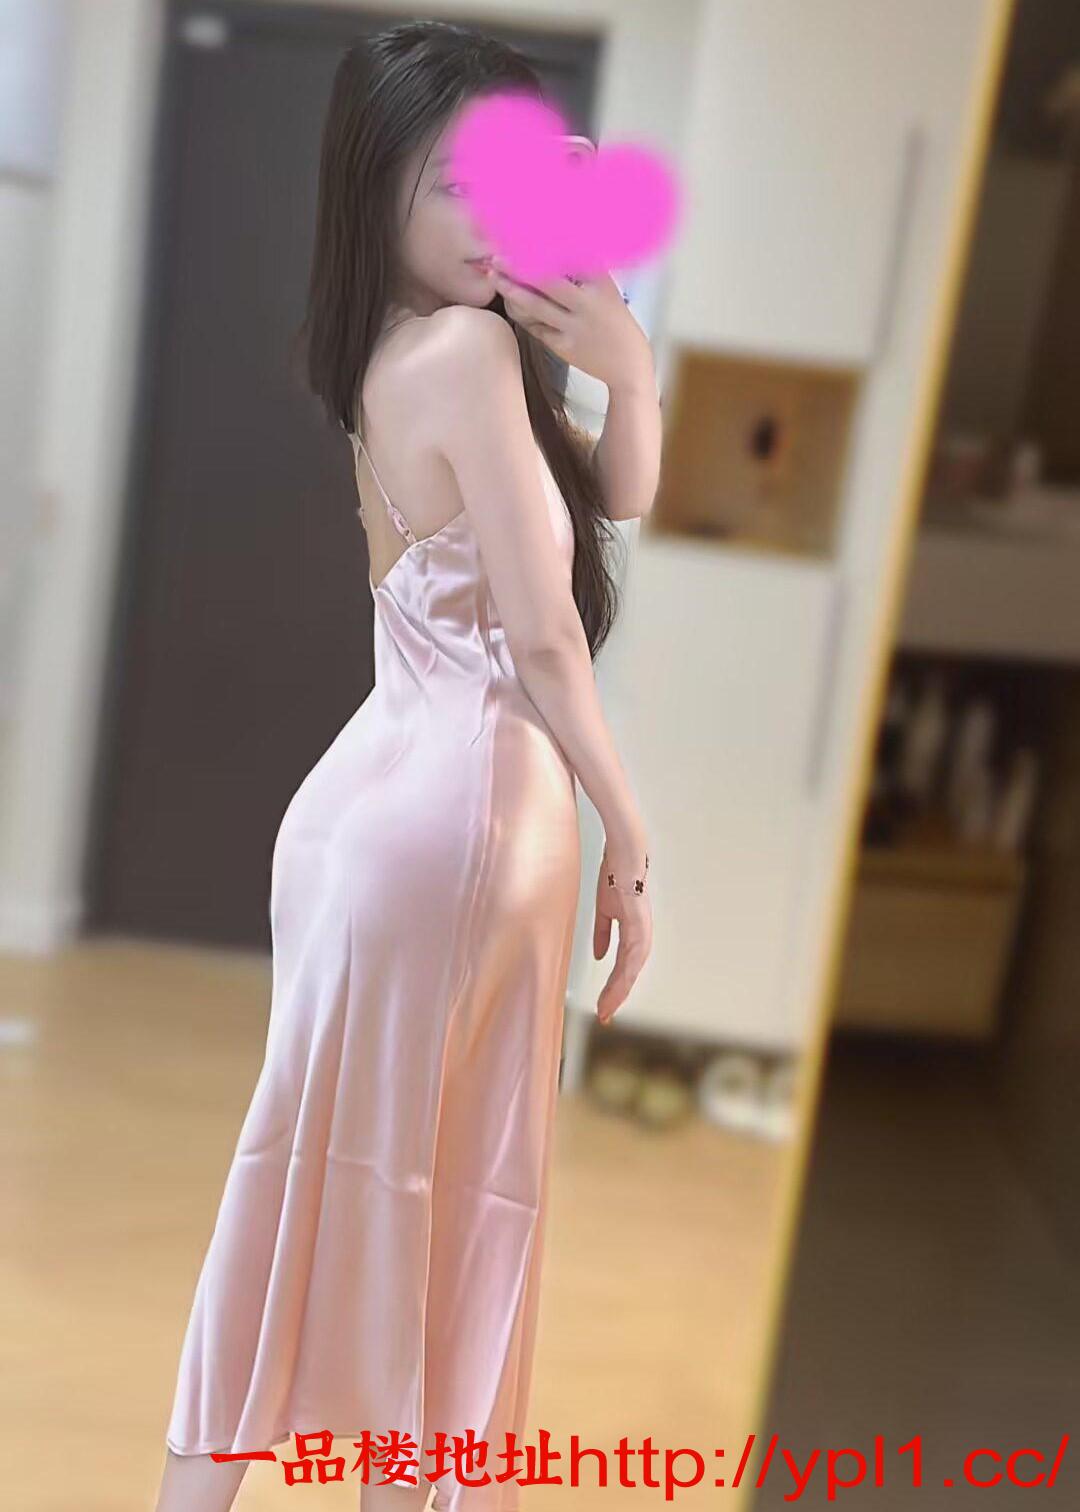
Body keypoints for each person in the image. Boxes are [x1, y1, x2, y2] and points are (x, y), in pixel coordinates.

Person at [154, 19, 658, 1512]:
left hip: (384, 810)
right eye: (453, 185)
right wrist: (632, 835)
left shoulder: (402, 354)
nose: (492, 217)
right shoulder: (465, 350)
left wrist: (627, 370)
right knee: (455, 1209)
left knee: (319, 1186)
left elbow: (612, 498)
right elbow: (547, 637)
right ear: (373, 188)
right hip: (460, 823)